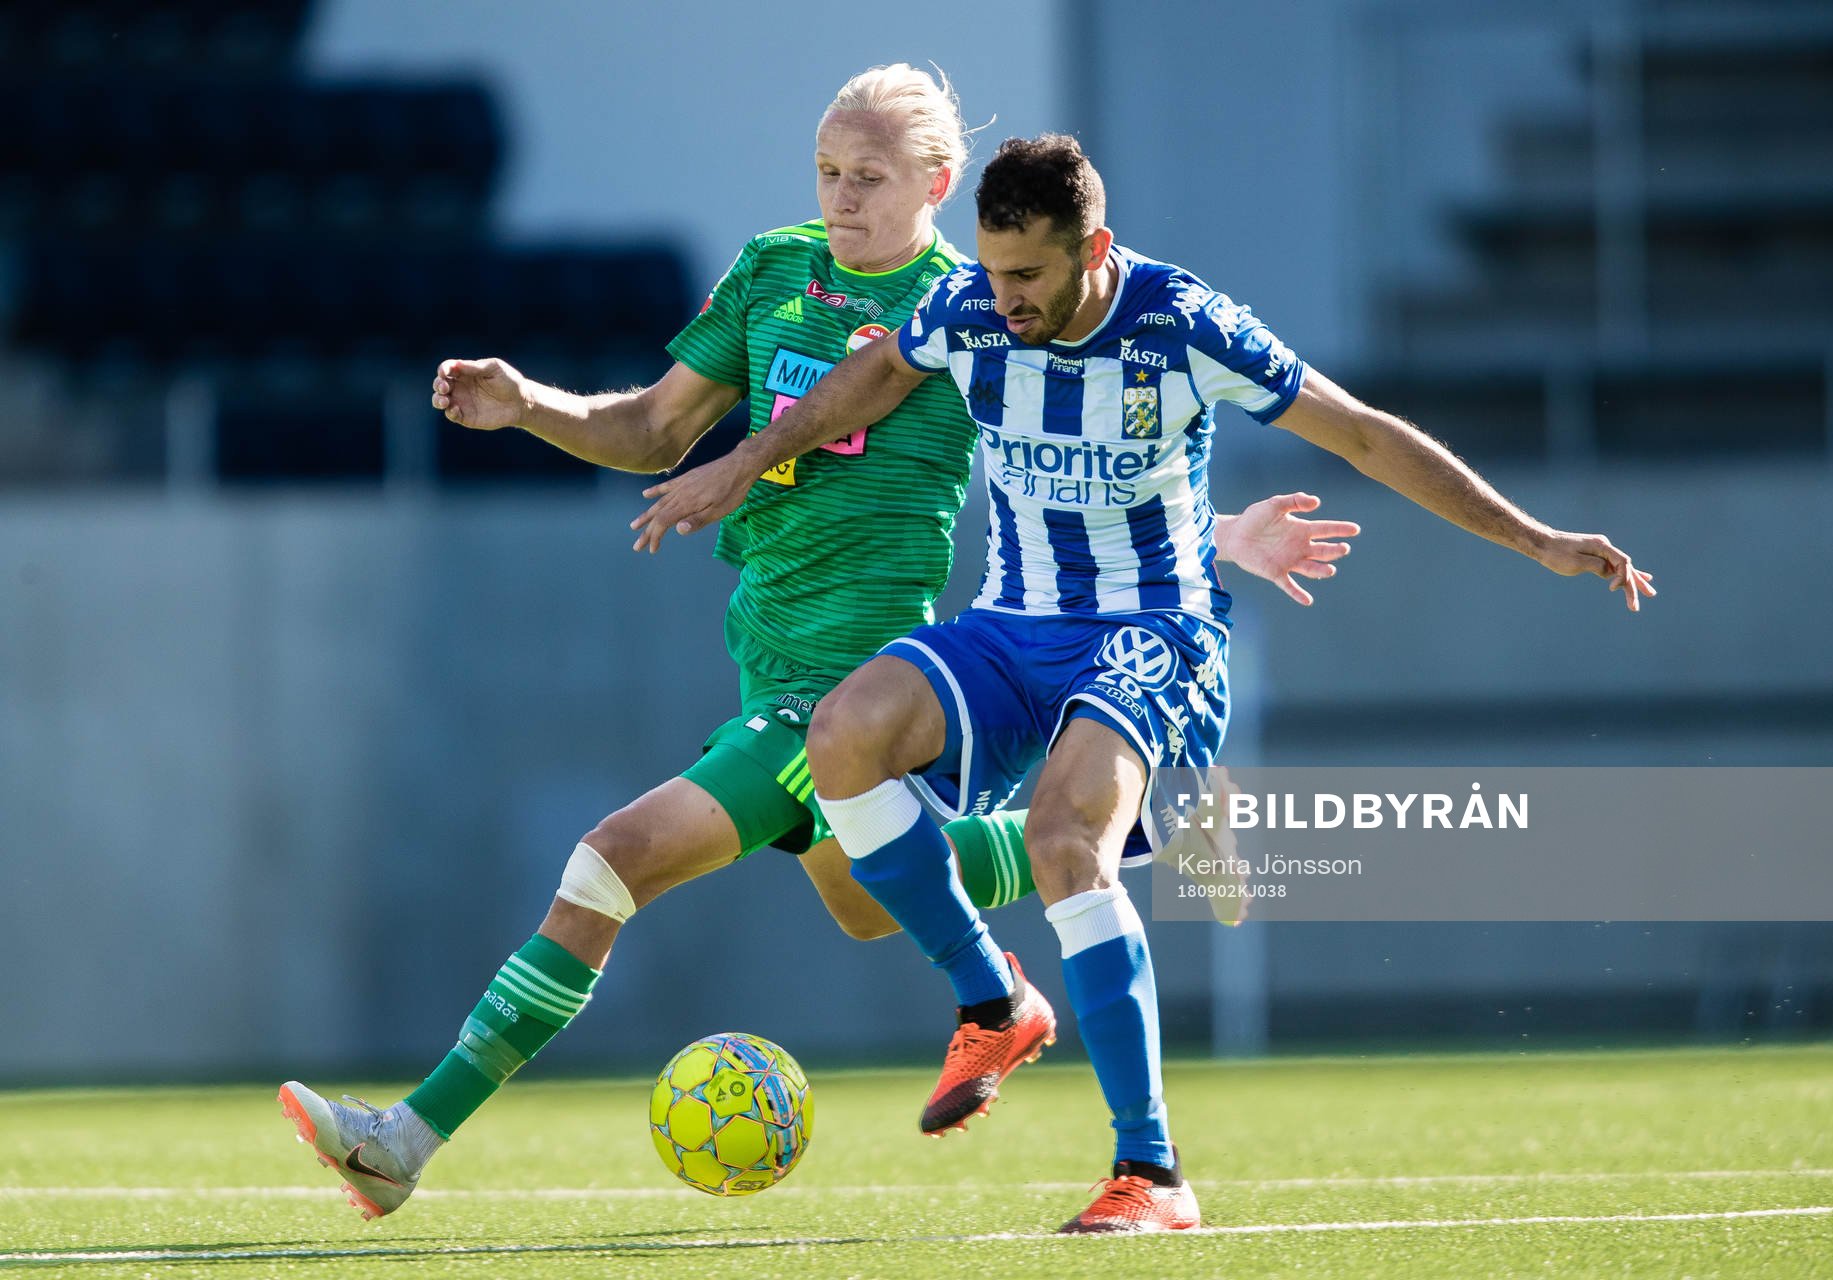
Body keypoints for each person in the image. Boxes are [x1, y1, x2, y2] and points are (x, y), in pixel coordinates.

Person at [277, 72, 1356, 1222]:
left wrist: (1221, 537)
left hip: (861, 675)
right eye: (829, 174)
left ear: (939, 185)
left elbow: (1088, 467)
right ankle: (1149, 835)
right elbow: (653, 428)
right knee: (863, 901)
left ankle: (403, 1139)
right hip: (767, 656)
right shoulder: (774, 270)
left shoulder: (981, 306)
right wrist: (528, 401)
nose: (842, 199)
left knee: (612, 858)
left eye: (871, 179)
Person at [632, 133, 1655, 1233]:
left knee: (1067, 836)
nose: (1003, 296)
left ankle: (1151, 1171)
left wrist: (1537, 538)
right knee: (842, 734)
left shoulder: (1181, 322)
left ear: (1092, 250)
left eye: (1028, 274)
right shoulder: (969, 306)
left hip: (1150, 630)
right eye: (991, 269)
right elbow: (873, 374)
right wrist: (739, 462)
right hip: (1012, 627)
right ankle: (993, 998)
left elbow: (1360, 435)